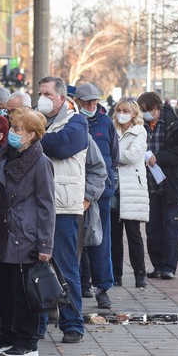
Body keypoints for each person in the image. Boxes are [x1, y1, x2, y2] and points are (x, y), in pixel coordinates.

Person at [0, 109, 55, 356]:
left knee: (24, 292)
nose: (12, 133)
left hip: (25, 236)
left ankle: (27, 342)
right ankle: (7, 336)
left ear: (32, 135)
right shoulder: (4, 157)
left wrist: (45, 245)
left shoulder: (40, 162)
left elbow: (47, 206)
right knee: (5, 290)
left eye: (17, 129)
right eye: (12, 127)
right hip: (3, 232)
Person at [37, 76, 88, 343]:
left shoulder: (76, 122)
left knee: (65, 267)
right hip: (36, 206)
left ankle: (73, 324)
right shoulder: (36, 119)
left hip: (63, 206)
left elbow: (62, 146)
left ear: (61, 97)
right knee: (35, 268)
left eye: (47, 94)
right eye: (40, 93)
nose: (42, 98)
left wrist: (35, 137)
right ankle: (38, 324)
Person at [136, 92, 178, 280]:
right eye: (141, 111)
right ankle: (157, 265)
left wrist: (160, 158)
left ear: (156, 108)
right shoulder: (140, 126)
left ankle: (169, 266)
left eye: (146, 110)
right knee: (152, 228)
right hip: (149, 185)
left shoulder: (174, 124)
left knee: (170, 226)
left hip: (171, 184)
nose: (145, 114)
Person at [75, 83, 119, 309]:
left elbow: (113, 155)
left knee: (100, 240)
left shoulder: (105, 122)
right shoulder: (73, 122)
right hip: (75, 190)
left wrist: (108, 182)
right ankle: (81, 284)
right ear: (78, 102)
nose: (92, 105)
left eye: (94, 101)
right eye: (87, 101)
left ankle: (103, 288)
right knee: (76, 241)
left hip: (101, 191)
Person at [111, 97, 149, 288]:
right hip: (114, 187)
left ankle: (139, 273)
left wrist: (112, 154)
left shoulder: (140, 131)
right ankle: (115, 274)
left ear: (134, 114)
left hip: (132, 187)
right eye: (119, 110)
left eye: (125, 111)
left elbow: (132, 156)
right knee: (114, 235)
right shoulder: (112, 129)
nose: (121, 114)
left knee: (134, 235)